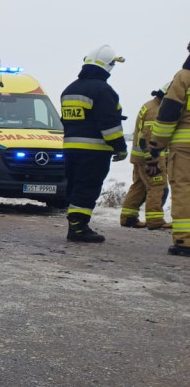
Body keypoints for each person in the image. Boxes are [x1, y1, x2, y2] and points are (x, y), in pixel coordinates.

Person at [59, 45, 127, 243]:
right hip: (94, 151)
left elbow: (66, 121)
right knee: (87, 187)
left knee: (76, 186)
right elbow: (109, 124)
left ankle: (76, 225)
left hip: (71, 149)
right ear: (108, 66)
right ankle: (78, 228)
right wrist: (120, 148)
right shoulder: (103, 90)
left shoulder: (69, 89)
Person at [146, 42, 190, 256]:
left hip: (185, 148)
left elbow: (168, 115)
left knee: (184, 189)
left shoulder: (184, 77)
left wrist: (156, 147)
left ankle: (185, 240)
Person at [120, 85, 172, 229]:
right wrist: (152, 160)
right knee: (157, 186)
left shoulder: (149, 105)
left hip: (141, 157)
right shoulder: (156, 111)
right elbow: (149, 137)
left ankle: (128, 217)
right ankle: (155, 221)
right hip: (151, 158)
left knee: (140, 186)